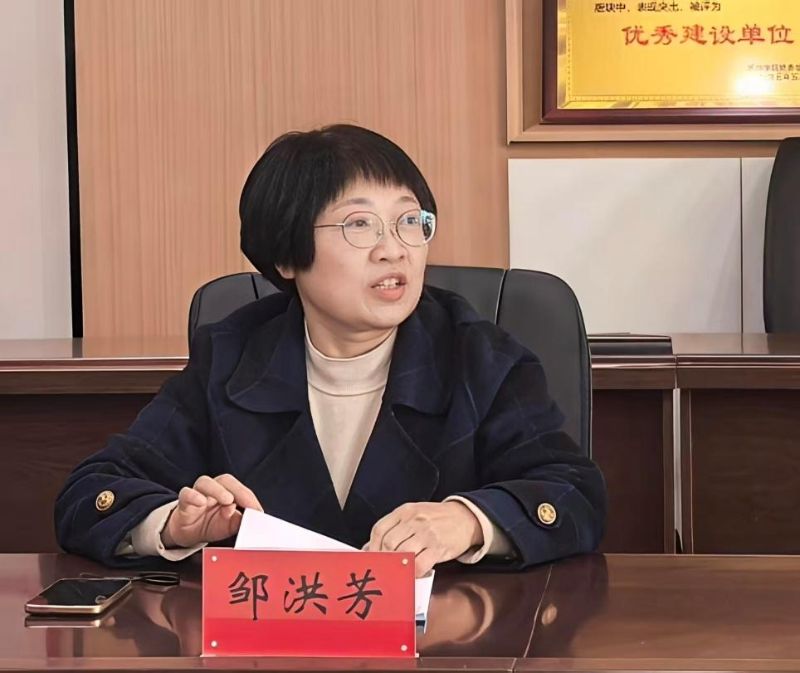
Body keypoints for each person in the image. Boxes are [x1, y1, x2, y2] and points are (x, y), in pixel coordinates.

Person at [55, 124, 606, 576]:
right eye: (360, 225)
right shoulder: (232, 356)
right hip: (269, 651)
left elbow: (574, 494)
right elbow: (90, 493)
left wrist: (468, 521)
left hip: (446, 647)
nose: (394, 250)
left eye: (409, 221)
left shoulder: (479, 356)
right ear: (287, 256)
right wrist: (175, 525)